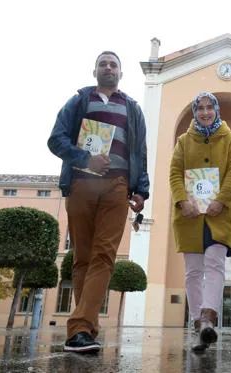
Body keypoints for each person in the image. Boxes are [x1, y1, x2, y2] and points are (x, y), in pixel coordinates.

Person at [47, 51, 149, 353]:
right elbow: (56, 139)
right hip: (81, 183)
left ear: (121, 73)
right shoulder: (78, 101)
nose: (108, 68)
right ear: (95, 71)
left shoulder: (132, 108)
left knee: (104, 255)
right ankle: (86, 328)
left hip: (117, 186)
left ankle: (79, 328)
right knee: (82, 257)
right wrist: (85, 159)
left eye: (113, 64)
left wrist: (141, 189)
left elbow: (140, 152)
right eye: (103, 64)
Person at [169, 92, 231, 352]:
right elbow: (175, 173)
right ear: (194, 111)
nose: (206, 112)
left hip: (220, 214)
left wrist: (221, 199)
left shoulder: (230, 139)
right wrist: (181, 200)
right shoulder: (183, 141)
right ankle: (198, 324)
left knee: (214, 263)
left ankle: (208, 318)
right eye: (200, 108)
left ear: (217, 110)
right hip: (189, 216)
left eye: (210, 107)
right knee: (193, 271)